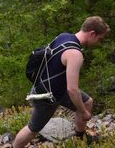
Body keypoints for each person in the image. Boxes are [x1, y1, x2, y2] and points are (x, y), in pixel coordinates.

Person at [13, 16, 110, 148]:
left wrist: (83, 107)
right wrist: (83, 112)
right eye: (99, 39)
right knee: (33, 129)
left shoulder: (64, 36)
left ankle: (80, 139)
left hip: (54, 87)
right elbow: (72, 89)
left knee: (88, 101)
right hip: (47, 96)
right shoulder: (75, 54)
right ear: (92, 33)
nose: (98, 42)